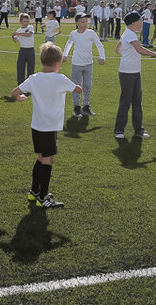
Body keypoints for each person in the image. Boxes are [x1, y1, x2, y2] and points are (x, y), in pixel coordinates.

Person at [12, 42, 81, 209]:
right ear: (57, 63)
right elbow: (78, 90)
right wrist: (76, 84)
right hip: (49, 127)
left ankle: (34, 191)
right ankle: (43, 198)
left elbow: (14, 92)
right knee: (48, 161)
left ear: (42, 61)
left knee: (41, 157)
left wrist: (19, 97)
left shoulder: (34, 78)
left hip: (37, 126)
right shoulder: (60, 79)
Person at [113, 12, 156, 139]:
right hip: (127, 73)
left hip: (134, 72)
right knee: (126, 102)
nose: (142, 22)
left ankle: (139, 129)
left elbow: (117, 50)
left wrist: (127, 52)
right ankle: (119, 130)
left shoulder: (127, 34)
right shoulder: (130, 34)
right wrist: (153, 54)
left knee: (137, 101)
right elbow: (139, 50)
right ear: (133, 23)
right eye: (140, 20)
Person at [62, 14, 104, 117]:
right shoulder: (73, 34)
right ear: (77, 23)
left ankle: (86, 106)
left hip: (88, 64)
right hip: (76, 64)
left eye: (86, 21)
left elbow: (99, 44)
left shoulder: (91, 33)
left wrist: (102, 57)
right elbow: (69, 44)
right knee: (76, 86)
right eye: (82, 21)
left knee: (87, 86)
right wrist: (65, 55)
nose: (85, 23)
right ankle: (76, 107)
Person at [13, 13, 38, 85]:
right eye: (24, 21)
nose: (26, 23)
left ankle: (30, 83)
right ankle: (21, 82)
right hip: (23, 50)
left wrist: (18, 34)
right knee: (20, 67)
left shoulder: (30, 27)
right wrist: (13, 36)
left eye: (27, 21)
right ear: (21, 21)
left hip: (30, 50)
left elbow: (29, 34)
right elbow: (16, 40)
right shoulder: (19, 30)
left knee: (31, 67)